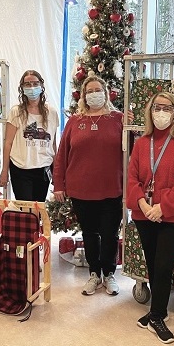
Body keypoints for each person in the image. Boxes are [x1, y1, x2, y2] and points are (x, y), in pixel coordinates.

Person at [126, 92, 174, 344]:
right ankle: (159, 311)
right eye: (157, 107)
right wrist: (144, 204)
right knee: (154, 263)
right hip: (145, 213)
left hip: (173, 217)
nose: (161, 112)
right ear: (150, 110)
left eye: (167, 108)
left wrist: (162, 206)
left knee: (164, 265)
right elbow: (132, 177)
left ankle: (156, 315)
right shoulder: (142, 142)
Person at [53, 75, 125, 296]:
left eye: (97, 89)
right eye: (89, 91)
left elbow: (134, 148)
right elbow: (62, 155)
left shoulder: (118, 119)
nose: (94, 94)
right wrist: (58, 184)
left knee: (110, 234)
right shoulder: (75, 121)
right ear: (83, 96)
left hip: (111, 188)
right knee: (90, 234)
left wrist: (135, 124)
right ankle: (94, 273)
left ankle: (109, 274)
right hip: (81, 189)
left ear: (105, 92)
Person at [0, 70, 58, 201]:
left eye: (35, 83)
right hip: (21, 169)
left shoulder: (51, 113)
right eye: (28, 84)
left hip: (43, 168)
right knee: (25, 212)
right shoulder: (16, 112)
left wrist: (57, 172)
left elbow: (53, 144)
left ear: (42, 86)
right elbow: (8, 143)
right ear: (22, 88)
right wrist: (4, 171)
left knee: (38, 209)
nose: (32, 87)